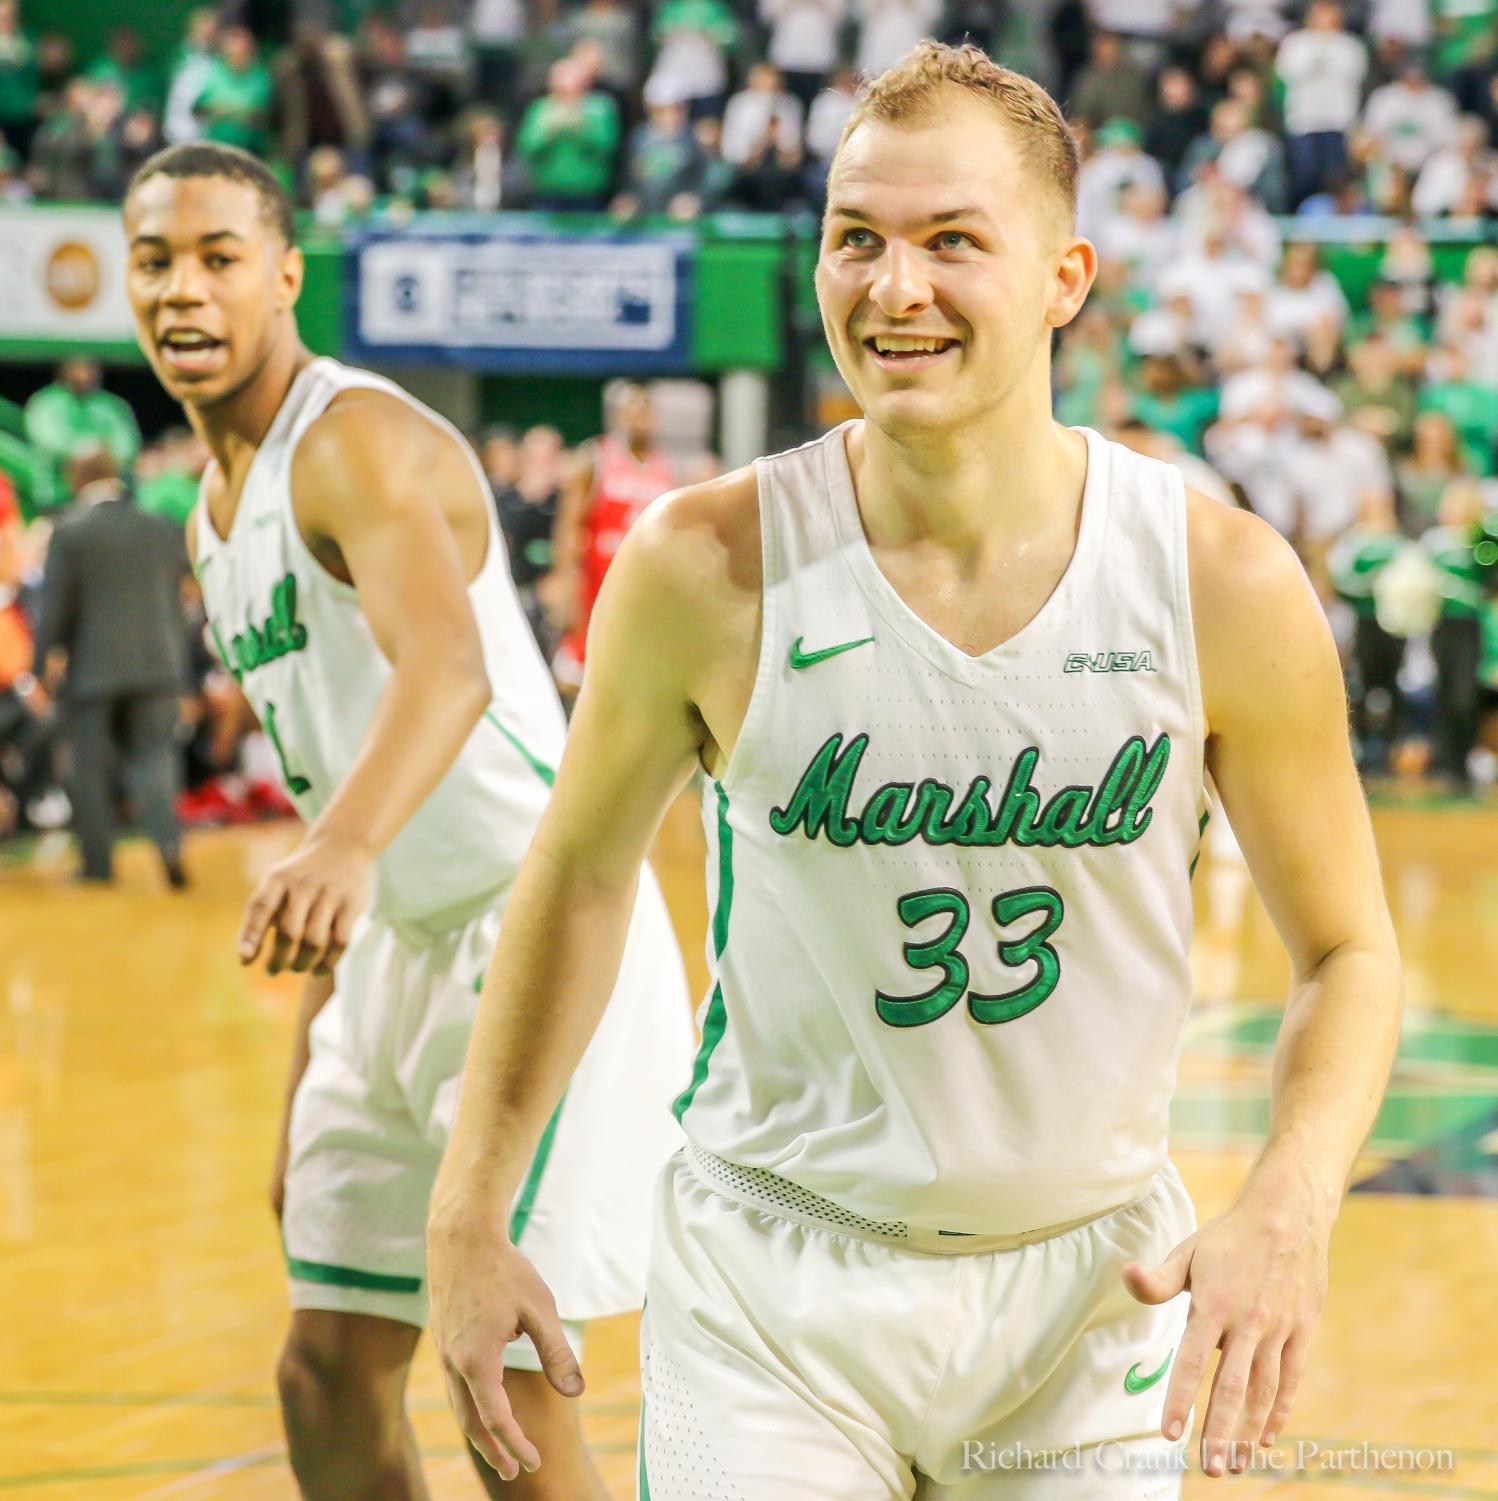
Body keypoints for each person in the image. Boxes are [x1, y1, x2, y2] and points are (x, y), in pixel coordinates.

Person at [429, 41, 1403, 1497]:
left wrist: (1293, 1193)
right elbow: (574, 874)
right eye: (855, 240)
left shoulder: (1218, 582)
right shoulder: (703, 565)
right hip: (772, 1285)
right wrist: (467, 1208)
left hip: (1093, 1298)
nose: (893, 288)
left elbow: (1347, 947)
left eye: (953, 242)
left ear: (1066, 276)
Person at [121, 141, 693, 1501]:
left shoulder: (352, 438)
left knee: (490, 1369)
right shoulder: (212, 515)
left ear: (285, 274)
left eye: (217, 258)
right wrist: (317, 1056)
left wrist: (345, 847)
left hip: (535, 919)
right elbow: (335, 789)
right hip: (395, 954)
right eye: (155, 261)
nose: (184, 291)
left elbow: (449, 670)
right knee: (321, 1369)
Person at [31, 446, 187, 884]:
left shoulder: (71, 532)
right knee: (155, 759)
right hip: (159, 667)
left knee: (90, 769)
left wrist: (41, 665)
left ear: (75, 478)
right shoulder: (159, 528)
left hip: (93, 672)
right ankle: (169, 847)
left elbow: (55, 609)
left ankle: (97, 866)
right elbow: (176, 601)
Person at [548, 382, 673, 681]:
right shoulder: (595, 459)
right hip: (597, 586)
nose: (642, 418)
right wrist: (566, 582)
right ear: (618, 416)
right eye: (634, 411)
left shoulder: (664, 468)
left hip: (643, 589)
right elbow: (567, 528)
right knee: (580, 675)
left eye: (647, 412)